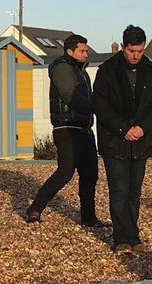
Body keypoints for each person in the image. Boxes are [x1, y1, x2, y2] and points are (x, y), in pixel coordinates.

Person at [93, 25, 152, 253]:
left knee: (134, 191)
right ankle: (121, 237)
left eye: (140, 51)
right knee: (119, 190)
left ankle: (133, 235)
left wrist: (143, 128)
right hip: (114, 140)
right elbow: (100, 106)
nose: (136, 56)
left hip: (141, 141)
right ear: (123, 47)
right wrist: (124, 128)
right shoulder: (107, 70)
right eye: (132, 51)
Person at [25, 34, 108, 227]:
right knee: (65, 172)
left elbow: (86, 98)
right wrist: (99, 107)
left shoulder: (82, 73)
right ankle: (35, 208)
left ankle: (88, 217)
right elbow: (72, 97)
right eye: (82, 51)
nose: (86, 54)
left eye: (86, 50)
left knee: (90, 174)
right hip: (67, 128)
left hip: (84, 128)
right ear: (70, 51)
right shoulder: (62, 68)